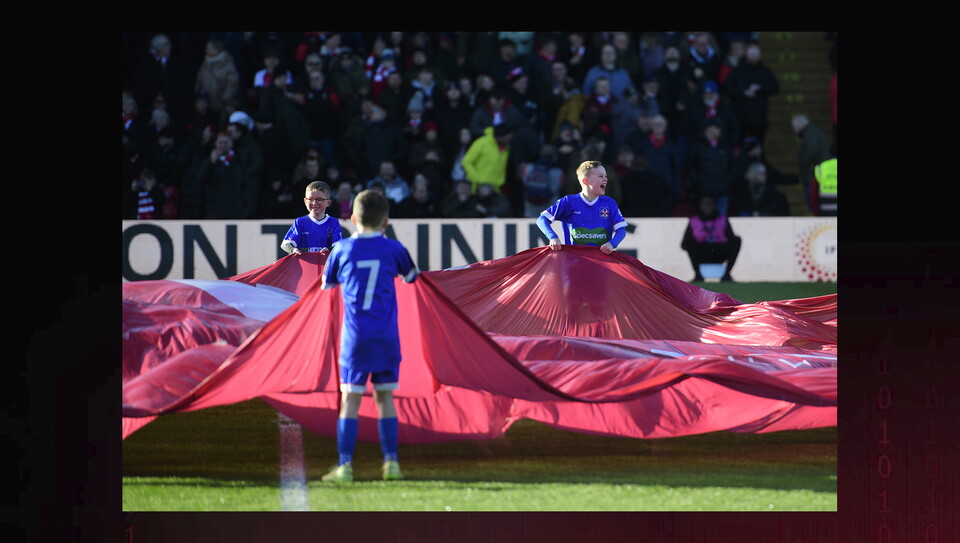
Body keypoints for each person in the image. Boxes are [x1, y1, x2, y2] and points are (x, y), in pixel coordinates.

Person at [320, 189, 419, 483]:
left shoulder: (341, 250)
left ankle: (345, 466)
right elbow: (414, 278)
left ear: (352, 219)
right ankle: (391, 463)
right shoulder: (394, 249)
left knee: (350, 399)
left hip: (355, 338)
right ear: (386, 221)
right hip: (387, 336)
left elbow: (327, 286)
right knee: (385, 397)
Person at [537, 160, 627, 254]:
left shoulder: (609, 203)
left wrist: (612, 244)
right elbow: (542, 219)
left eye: (606, 176)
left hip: (602, 262)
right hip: (574, 260)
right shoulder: (568, 201)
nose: (605, 179)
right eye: (601, 176)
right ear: (586, 181)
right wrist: (553, 237)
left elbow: (621, 230)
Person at [725, 43, 779, 146]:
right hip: (740, 118)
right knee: (740, 146)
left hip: (759, 118)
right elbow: (728, 89)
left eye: (756, 54)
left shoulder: (765, 72)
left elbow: (775, 88)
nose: (754, 57)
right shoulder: (737, 71)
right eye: (752, 54)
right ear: (746, 54)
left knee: (758, 146)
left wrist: (760, 89)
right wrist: (743, 92)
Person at [681, 193, 741, 282]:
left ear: (714, 205)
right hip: (702, 251)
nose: (707, 206)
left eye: (709, 204)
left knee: (737, 240)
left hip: (719, 251)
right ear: (701, 206)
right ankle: (698, 275)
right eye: (705, 204)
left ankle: (726, 275)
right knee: (690, 242)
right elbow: (684, 245)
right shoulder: (694, 221)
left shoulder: (722, 219)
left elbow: (732, 239)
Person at [685, 121, 735, 216]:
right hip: (703, 191)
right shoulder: (697, 146)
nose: (713, 131)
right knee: (704, 220)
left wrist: (727, 183)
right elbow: (691, 166)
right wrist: (698, 182)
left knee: (720, 221)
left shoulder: (726, 146)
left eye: (716, 128)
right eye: (710, 128)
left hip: (722, 190)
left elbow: (732, 167)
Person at [281, 181, 343, 255]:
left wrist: (329, 250)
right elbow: (286, 244)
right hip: (305, 265)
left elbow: (339, 245)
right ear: (305, 201)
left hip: (326, 265)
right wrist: (293, 250)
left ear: (328, 203)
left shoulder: (333, 222)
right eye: (310, 199)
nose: (314, 203)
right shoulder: (300, 222)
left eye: (319, 200)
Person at [791, 114, 831, 213]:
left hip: (813, 177)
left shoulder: (810, 133)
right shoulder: (813, 132)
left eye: (794, 127)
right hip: (816, 175)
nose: (794, 130)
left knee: (813, 205)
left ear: (800, 124)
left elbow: (811, 152)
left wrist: (806, 167)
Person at [194, 38, 240, 121]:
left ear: (216, 50)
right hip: (207, 105)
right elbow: (199, 81)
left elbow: (232, 84)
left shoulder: (228, 64)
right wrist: (201, 98)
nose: (206, 50)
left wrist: (226, 100)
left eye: (208, 48)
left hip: (222, 105)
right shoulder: (205, 63)